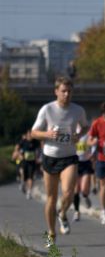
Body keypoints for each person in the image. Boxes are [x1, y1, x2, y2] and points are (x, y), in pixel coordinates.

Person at [31, 76, 88, 248]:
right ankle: (51, 232)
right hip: (50, 157)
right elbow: (34, 132)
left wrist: (79, 134)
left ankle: (63, 213)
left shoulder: (78, 110)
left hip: (69, 156)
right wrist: (47, 134)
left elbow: (85, 125)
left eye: (69, 91)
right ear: (56, 91)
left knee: (69, 192)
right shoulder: (47, 109)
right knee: (51, 198)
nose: (66, 94)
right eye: (63, 91)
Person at [72, 130, 94, 221]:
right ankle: (77, 211)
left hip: (85, 163)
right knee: (76, 189)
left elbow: (93, 143)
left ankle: (85, 196)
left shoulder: (87, 133)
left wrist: (91, 153)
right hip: (75, 164)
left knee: (84, 188)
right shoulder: (71, 131)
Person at [15, 130, 40, 200]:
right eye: (29, 134)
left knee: (31, 177)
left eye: (31, 134)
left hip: (32, 162)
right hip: (24, 161)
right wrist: (19, 155)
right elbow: (17, 148)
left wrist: (38, 157)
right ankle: (22, 183)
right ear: (27, 134)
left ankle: (29, 192)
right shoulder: (23, 141)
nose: (30, 135)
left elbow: (39, 149)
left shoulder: (35, 142)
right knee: (23, 174)